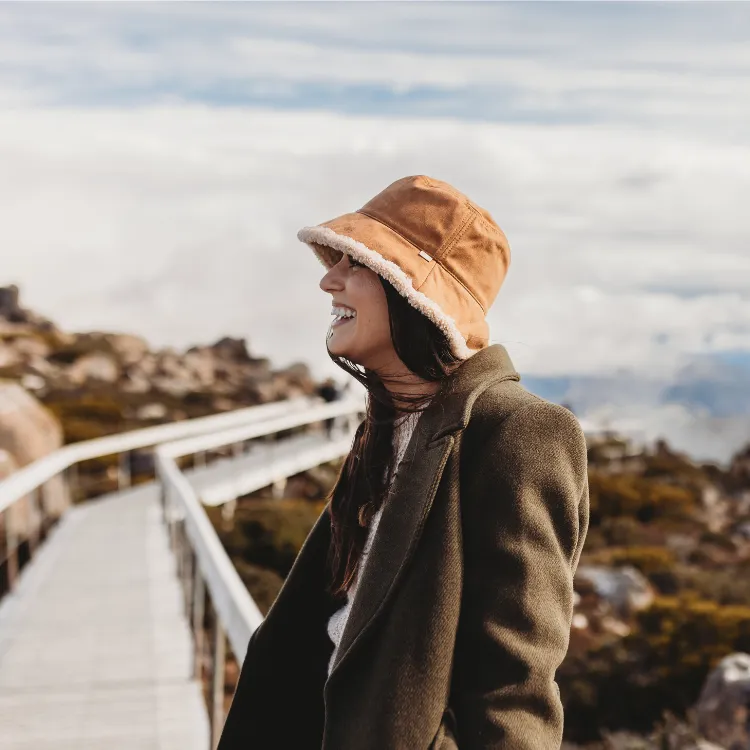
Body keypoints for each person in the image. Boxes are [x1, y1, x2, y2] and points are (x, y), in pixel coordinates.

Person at [218, 175, 590, 749]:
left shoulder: (521, 430)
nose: (327, 279)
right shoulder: (391, 423)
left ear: (414, 292)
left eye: (355, 263)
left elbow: (513, 686)